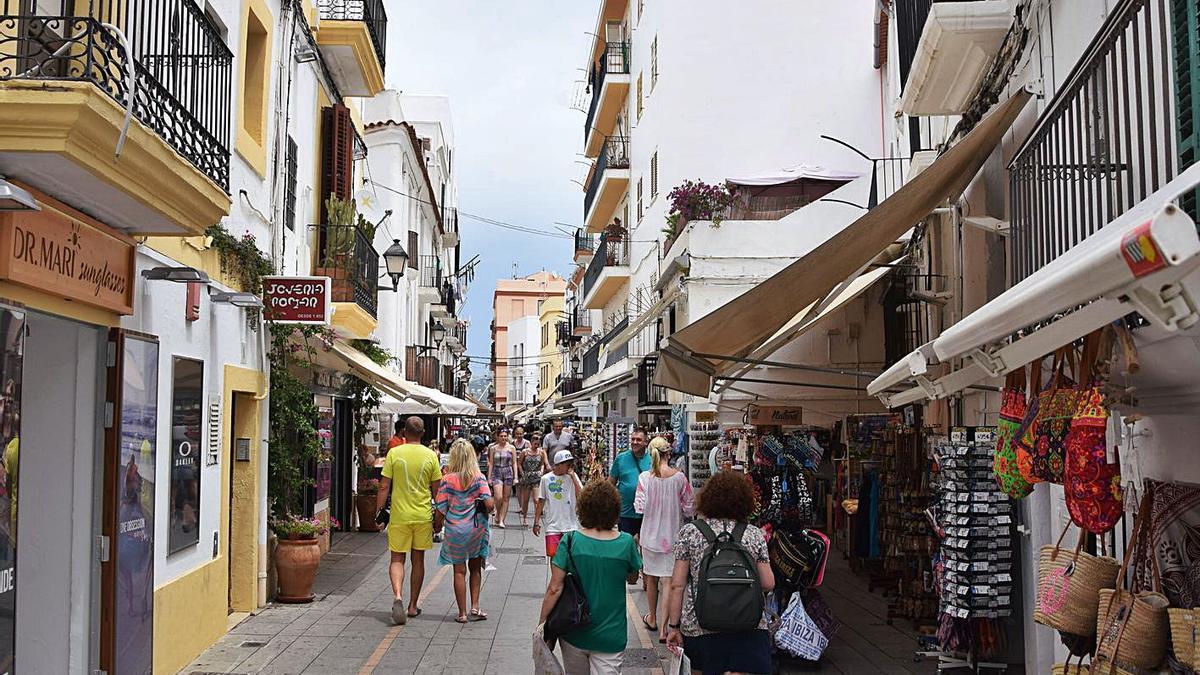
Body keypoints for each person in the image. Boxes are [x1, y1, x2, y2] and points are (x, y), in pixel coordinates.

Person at [665, 471, 775, 675]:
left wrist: (673, 627)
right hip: (748, 627)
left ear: (707, 499)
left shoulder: (691, 532)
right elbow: (768, 583)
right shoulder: (753, 533)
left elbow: (677, 585)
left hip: (699, 627)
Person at [538, 481, 641, 675]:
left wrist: (543, 625)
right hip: (611, 634)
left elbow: (554, 588)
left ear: (583, 508)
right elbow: (634, 578)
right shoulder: (626, 542)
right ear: (614, 510)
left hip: (574, 630)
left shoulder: (570, 541)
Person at [376, 417, 443, 625]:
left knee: (397, 558)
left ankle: (398, 596)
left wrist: (379, 511)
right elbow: (437, 491)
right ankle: (413, 606)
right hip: (422, 515)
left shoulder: (395, 453)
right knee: (418, 560)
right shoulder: (431, 456)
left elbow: (384, 486)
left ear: (404, 432)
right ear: (423, 433)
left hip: (399, 515)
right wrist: (439, 516)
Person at [634, 436, 695, 642]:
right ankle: (664, 630)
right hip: (672, 537)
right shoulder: (680, 478)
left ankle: (651, 617)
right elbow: (690, 507)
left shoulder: (644, 478)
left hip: (649, 537)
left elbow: (639, 507)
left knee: (650, 579)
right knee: (668, 582)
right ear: (669, 454)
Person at [435, 439, 494, 623]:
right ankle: (475, 606)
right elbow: (490, 505)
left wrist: (437, 526)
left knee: (459, 571)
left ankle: (461, 613)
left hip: (454, 530)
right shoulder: (478, 477)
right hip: (476, 529)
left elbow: (440, 508)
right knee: (475, 569)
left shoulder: (447, 480)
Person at [532, 450, 582, 557]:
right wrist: (536, 522)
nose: (569, 467)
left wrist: (573, 478)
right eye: (566, 464)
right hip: (552, 525)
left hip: (570, 525)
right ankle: (554, 574)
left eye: (570, 464)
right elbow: (541, 500)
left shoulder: (572, 477)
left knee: (570, 556)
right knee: (553, 555)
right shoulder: (546, 479)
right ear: (558, 465)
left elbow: (581, 495)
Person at [609, 427, 651, 538]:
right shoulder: (621, 458)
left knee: (645, 546)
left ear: (646, 442)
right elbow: (610, 484)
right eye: (632, 439)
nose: (634, 442)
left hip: (647, 513)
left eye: (638, 440)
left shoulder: (653, 459)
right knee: (626, 545)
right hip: (625, 513)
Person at [517, 432, 551, 527]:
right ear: (531, 442)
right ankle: (524, 518)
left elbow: (544, 463)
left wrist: (542, 471)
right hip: (527, 476)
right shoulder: (525, 452)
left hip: (536, 477)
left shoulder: (541, 452)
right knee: (526, 500)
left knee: (537, 499)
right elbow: (519, 463)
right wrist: (522, 473)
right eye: (535, 443)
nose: (536, 445)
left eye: (538, 444)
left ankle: (537, 520)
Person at [488, 429, 517, 528]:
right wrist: (489, 477)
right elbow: (491, 463)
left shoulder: (511, 448)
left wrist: (516, 477)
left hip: (508, 472)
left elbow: (514, 463)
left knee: (506, 498)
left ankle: (501, 519)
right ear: (497, 436)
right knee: (498, 496)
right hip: (496, 472)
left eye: (505, 436)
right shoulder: (493, 448)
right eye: (501, 436)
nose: (503, 438)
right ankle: (498, 512)